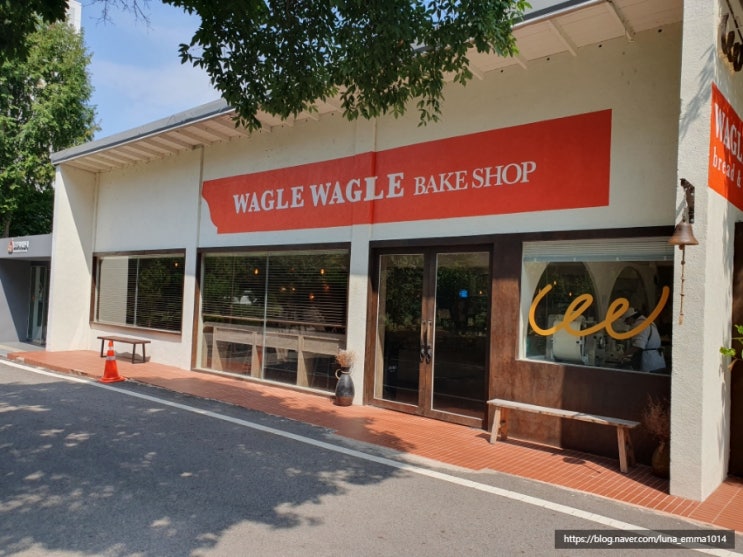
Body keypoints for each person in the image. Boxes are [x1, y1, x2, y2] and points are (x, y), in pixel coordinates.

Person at [621, 308, 667, 373]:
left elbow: (638, 346)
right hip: (658, 361)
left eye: (626, 321)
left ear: (630, 318)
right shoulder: (647, 322)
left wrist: (623, 355)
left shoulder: (639, 325)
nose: (626, 324)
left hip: (650, 362)